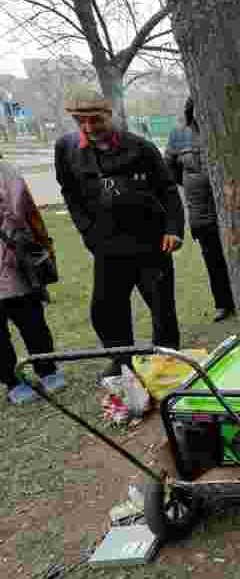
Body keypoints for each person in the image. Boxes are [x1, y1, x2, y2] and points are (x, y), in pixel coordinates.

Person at [55, 88, 184, 379]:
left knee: (162, 306)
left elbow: (168, 190)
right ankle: (121, 359)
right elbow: (70, 193)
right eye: (81, 121)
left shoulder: (141, 147)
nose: (89, 127)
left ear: (108, 115)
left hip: (151, 244)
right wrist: (88, 232)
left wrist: (173, 230)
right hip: (108, 247)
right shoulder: (66, 149)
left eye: (95, 120)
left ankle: (167, 360)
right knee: (105, 309)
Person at [165, 98, 236, 322]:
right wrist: (192, 183)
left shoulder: (227, 129)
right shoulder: (179, 134)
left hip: (231, 206)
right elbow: (170, 169)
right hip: (201, 210)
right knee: (213, 259)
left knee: (238, 255)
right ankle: (224, 304)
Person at [1, 159, 65, 403]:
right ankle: (12, 381)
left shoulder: (6, 171)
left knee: (31, 321)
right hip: (13, 258)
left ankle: (47, 370)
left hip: (14, 261)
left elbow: (20, 213)